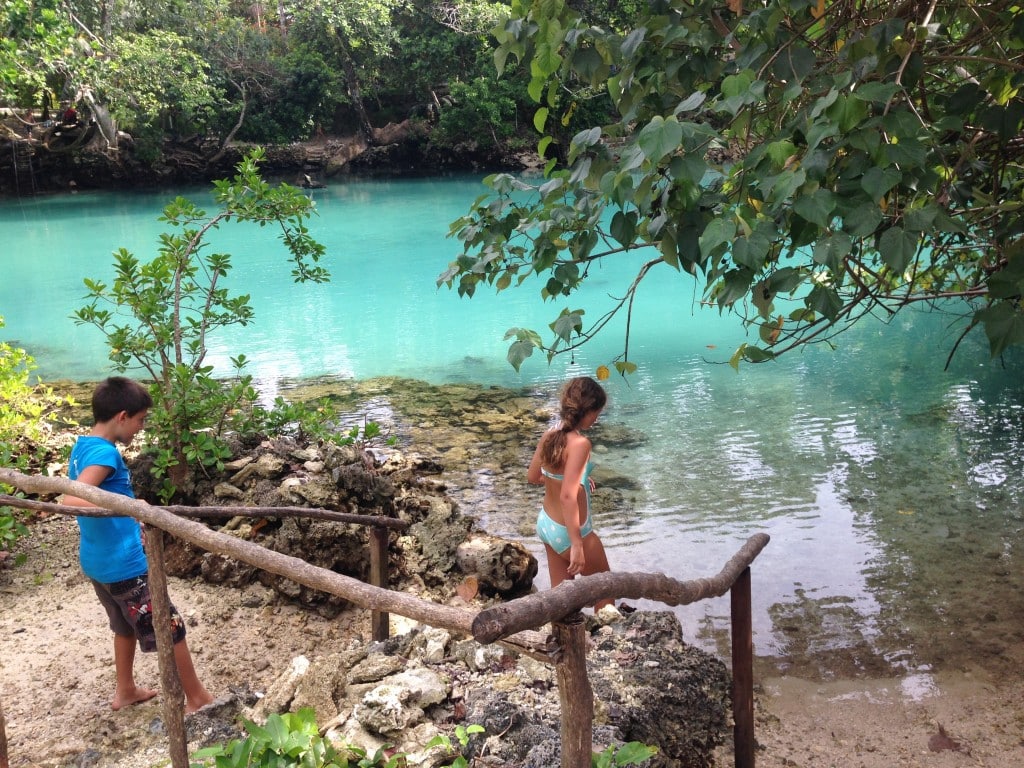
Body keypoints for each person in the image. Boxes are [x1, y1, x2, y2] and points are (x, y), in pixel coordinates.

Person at [62, 376, 214, 713]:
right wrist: (131, 508)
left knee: (123, 625)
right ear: (121, 416)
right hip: (124, 566)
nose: (141, 428)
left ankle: (126, 689)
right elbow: (72, 499)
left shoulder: (84, 445)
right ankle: (197, 698)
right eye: (140, 420)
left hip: (98, 563)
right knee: (168, 626)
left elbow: (99, 495)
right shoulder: (104, 454)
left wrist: (131, 503)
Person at [528, 376, 613, 610]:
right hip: (572, 533)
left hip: (547, 525)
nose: (597, 418)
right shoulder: (581, 444)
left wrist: (580, 480)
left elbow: (534, 477)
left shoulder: (549, 435)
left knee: (563, 601)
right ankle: (608, 642)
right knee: (606, 590)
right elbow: (567, 496)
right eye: (597, 412)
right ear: (587, 410)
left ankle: (563, 643)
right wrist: (576, 544)